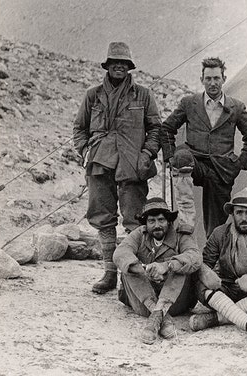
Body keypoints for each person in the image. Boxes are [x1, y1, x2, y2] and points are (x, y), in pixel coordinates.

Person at [73, 42, 162, 294]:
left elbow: (155, 128)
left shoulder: (143, 95)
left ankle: (130, 277)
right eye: (115, 62)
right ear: (108, 66)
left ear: (129, 67)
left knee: (134, 220)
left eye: (123, 63)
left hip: (133, 165)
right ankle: (109, 273)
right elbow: (79, 129)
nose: (119, 66)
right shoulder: (93, 95)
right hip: (100, 164)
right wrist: (85, 150)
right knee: (103, 218)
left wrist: (147, 153)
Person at [162, 57, 247, 237]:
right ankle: (186, 216)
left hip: (221, 170)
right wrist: (169, 157)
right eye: (208, 79)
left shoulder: (236, 106)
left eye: (216, 78)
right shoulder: (189, 103)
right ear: (202, 80)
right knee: (182, 155)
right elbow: (167, 128)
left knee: (216, 228)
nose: (212, 83)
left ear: (224, 79)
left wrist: (239, 163)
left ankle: (213, 262)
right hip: (195, 162)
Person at [188, 188, 247, 343]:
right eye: (239, 213)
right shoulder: (219, 233)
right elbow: (204, 263)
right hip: (224, 289)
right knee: (199, 284)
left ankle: (215, 318)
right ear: (232, 214)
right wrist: (207, 273)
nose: (244, 218)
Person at [112, 198, 202, 344]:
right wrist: (144, 269)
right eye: (151, 221)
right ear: (145, 224)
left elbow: (195, 256)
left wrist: (166, 266)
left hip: (175, 303)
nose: (157, 225)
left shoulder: (181, 236)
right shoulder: (139, 234)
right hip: (143, 301)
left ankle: (155, 320)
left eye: (161, 220)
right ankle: (161, 317)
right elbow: (120, 253)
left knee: (181, 267)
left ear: (169, 221)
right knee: (128, 268)